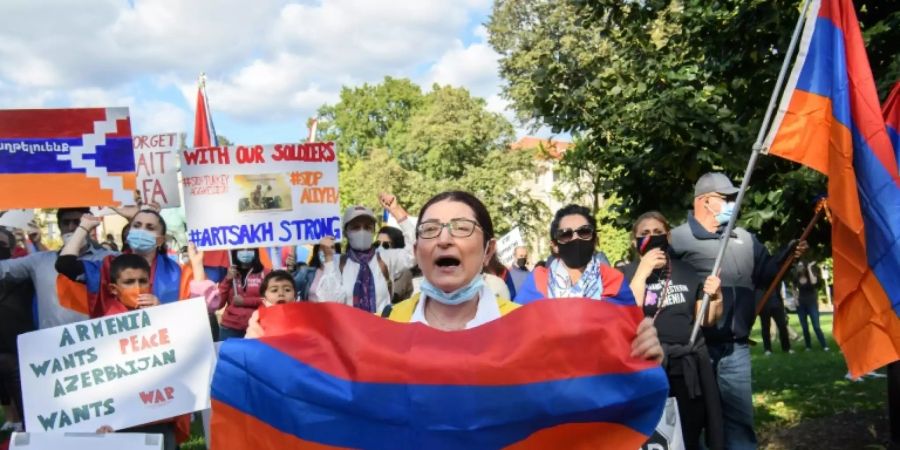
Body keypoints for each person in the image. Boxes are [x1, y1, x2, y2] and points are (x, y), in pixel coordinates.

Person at [248, 191, 662, 366]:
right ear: (417, 253)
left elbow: (577, 397)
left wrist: (632, 358)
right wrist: (266, 352)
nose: (444, 238)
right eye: (430, 230)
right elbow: (330, 393)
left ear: (487, 250)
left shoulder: (524, 329)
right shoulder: (386, 327)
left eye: (461, 228)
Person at [669, 172, 807, 449]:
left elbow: (767, 274)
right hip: (696, 349)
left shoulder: (744, 237)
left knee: (740, 425)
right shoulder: (676, 239)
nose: (734, 203)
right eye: (727, 198)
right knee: (696, 422)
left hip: (736, 349)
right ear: (705, 201)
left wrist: (788, 255)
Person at [91, 246, 216, 450]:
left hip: (160, 416)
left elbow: (195, 324)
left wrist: (160, 315)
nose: (137, 287)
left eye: (142, 281)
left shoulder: (162, 311)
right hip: (122, 420)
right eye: (129, 282)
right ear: (114, 289)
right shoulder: (102, 328)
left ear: (150, 283)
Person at [621, 211, 724, 450]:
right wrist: (643, 270)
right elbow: (626, 312)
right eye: (644, 233)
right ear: (634, 240)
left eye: (658, 232)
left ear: (668, 236)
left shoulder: (687, 271)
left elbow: (706, 319)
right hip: (646, 370)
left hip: (686, 370)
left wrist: (717, 297)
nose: (652, 237)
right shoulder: (625, 274)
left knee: (689, 433)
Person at [56, 210, 188, 318]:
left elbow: (188, 314)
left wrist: (161, 309)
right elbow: (64, 265)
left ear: (160, 240)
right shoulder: (109, 265)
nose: (141, 231)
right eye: (136, 226)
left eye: (149, 227)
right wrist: (83, 227)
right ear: (129, 232)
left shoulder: (176, 271)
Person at [0, 207, 114, 328]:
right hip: (53, 343)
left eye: (78, 222)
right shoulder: (39, 261)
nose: (71, 227)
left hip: (98, 339)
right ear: (59, 227)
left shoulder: (109, 259)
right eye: (66, 223)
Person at [514, 204, 634, 307]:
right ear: (555, 245)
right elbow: (518, 324)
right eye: (566, 234)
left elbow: (631, 326)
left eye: (584, 231)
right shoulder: (537, 280)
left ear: (595, 240)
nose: (576, 238)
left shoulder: (614, 280)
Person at [316, 193, 415, 314]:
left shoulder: (386, 258)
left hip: (382, 329)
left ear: (374, 231)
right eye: (355, 227)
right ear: (346, 232)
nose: (362, 231)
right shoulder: (336, 262)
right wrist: (328, 259)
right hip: (349, 331)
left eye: (367, 227)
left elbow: (416, 251)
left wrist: (396, 211)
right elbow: (329, 301)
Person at [0, 227, 34, 433]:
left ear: (12, 249)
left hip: (19, 352)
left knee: (28, 406)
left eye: (1, 245)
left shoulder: (24, 278)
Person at [218, 248, 268, 340]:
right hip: (230, 327)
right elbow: (218, 304)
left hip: (257, 327)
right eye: (241, 250)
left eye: (249, 249)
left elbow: (269, 301)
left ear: (255, 252)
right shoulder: (229, 273)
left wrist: (245, 301)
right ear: (235, 252)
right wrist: (227, 280)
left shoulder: (266, 273)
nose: (245, 252)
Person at [794, 261, 829, 351]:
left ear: (804, 267)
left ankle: (824, 345)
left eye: (801, 265)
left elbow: (814, 282)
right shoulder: (796, 278)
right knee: (805, 327)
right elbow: (794, 289)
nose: (799, 267)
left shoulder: (810, 276)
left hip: (811, 303)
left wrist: (809, 268)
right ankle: (808, 346)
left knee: (816, 326)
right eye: (798, 266)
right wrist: (795, 299)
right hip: (801, 304)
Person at [377, 225, 414, 303]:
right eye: (377, 244)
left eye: (386, 245)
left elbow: (392, 297)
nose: (380, 248)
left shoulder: (404, 272)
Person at [757, 285, 793, 355]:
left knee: (782, 326)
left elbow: (781, 291)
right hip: (764, 305)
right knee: (765, 328)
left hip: (776, 304)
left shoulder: (775, 279)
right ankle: (767, 349)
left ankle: (786, 348)